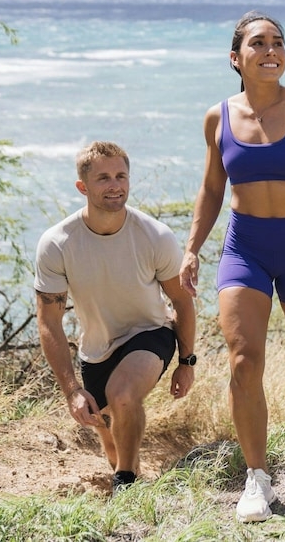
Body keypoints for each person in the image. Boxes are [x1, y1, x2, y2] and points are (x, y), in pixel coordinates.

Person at [179, 11, 285, 522]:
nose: (271, 49)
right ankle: (258, 480)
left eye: (278, 42)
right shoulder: (217, 117)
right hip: (245, 247)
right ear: (237, 58)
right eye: (258, 43)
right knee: (243, 360)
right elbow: (211, 190)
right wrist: (191, 248)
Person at [35, 141, 197, 493]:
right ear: (83, 187)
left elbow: (182, 302)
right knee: (113, 445)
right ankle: (131, 475)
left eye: (121, 176)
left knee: (123, 394)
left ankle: (126, 484)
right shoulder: (57, 243)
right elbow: (49, 323)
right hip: (95, 352)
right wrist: (72, 390)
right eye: (104, 178)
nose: (115, 185)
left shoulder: (155, 235)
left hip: (150, 333)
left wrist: (187, 361)